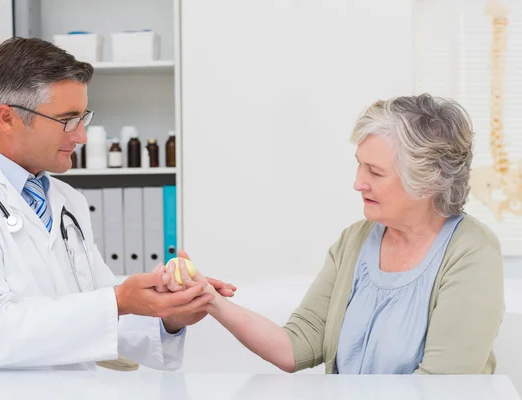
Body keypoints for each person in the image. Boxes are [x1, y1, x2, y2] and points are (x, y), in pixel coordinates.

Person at [0, 37, 235, 371]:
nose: (81, 136)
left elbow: (97, 312)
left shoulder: (67, 200)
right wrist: (117, 300)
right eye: (67, 120)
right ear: (7, 118)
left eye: (82, 117)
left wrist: (168, 312)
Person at [195, 94, 505, 374]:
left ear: (429, 180)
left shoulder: (472, 253)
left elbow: (441, 388)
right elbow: (296, 345)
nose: (358, 182)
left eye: (375, 171)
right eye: (359, 166)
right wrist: (212, 303)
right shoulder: (354, 241)